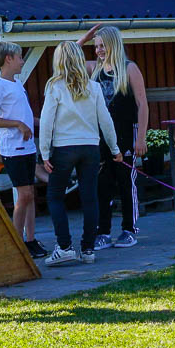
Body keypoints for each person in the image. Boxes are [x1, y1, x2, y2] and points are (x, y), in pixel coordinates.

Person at [38, 40, 120, 266]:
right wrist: (115, 149)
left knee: (55, 196)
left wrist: (44, 152)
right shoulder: (93, 87)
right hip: (90, 147)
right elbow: (106, 120)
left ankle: (64, 247)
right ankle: (88, 249)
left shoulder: (54, 86)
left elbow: (46, 121)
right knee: (90, 197)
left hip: (64, 147)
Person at [81, 24, 150, 249]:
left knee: (125, 182)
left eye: (103, 45)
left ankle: (129, 229)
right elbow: (67, 58)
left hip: (125, 134)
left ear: (113, 45)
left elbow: (142, 103)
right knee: (102, 183)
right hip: (101, 137)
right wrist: (85, 38)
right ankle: (103, 231)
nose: (99, 50)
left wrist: (141, 138)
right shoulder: (93, 69)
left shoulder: (129, 68)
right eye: (96, 46)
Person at [0, 42, 44, 259]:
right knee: (24, 195)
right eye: (19, 57)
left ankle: (30, 241)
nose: (22, 61)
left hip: (28, 147)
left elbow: (25, 116)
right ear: (8, 58)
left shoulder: (17, 84)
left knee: (30, 195)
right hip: (13, 150)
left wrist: (45, 122)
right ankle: (16, 245)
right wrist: (18, 124)